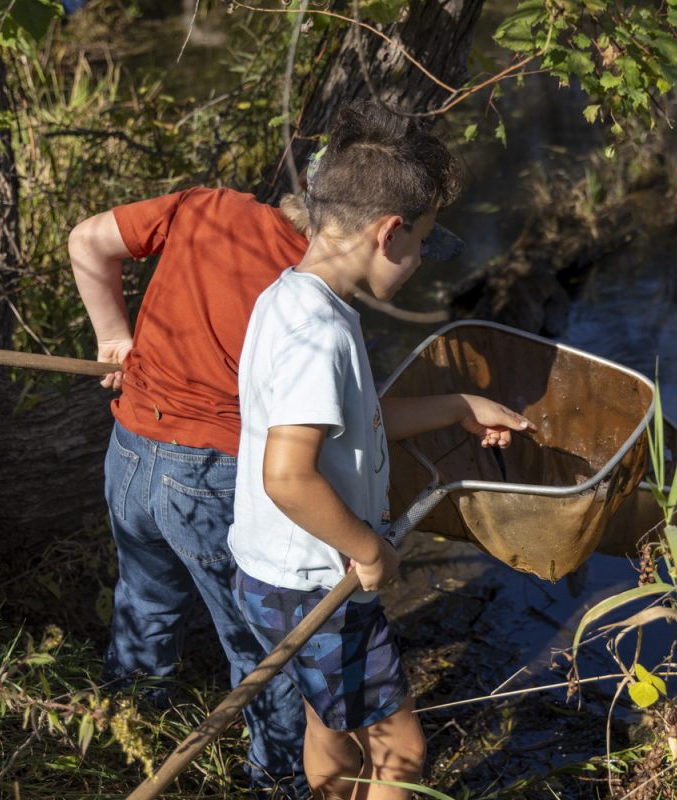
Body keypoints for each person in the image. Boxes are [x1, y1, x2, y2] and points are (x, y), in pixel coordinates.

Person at [229, 102, 534, 799]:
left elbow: (351, 420)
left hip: (273, 572)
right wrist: (367, 549)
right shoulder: (323, 335)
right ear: (388, 232)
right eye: (423, 241)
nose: (423, 258)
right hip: (317, 580)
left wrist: (459, 407)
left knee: (330, 721)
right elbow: (286, 475)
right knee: (401, 750)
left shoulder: (288, 298)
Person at [69, 178, 314, 792]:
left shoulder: (206, 207)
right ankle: (277, 777)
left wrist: (112, 338)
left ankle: (123, 728)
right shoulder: (309, 284)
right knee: (257, 639)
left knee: (146, 598)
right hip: (212, 475)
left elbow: (86, 240)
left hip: (130, 450)